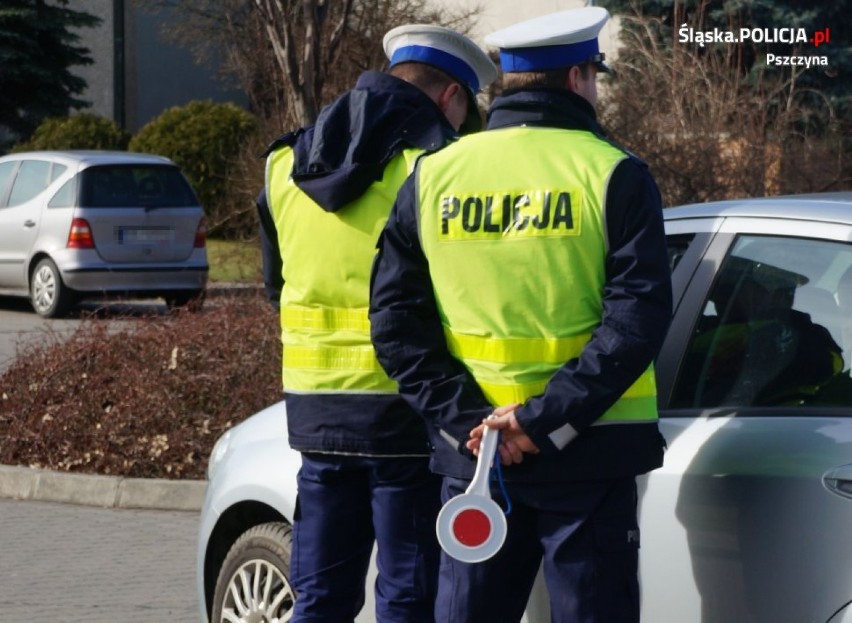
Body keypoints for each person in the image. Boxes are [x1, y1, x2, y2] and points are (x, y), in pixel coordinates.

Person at [368, 7, 671, 623]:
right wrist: (541, 421)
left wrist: (471, 425)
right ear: (579, 79)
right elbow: (636, 318)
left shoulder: (434, 176)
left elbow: (395, 324)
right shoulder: (613, 173)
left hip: (475, 462)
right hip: (589, 458)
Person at [257, 24, 496, 623]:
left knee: (318, 600)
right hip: (405, 417)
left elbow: (274, 285)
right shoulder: (438, 167)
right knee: (408, 600)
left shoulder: (283, 164)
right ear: (448, 97)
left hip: (315, 415)